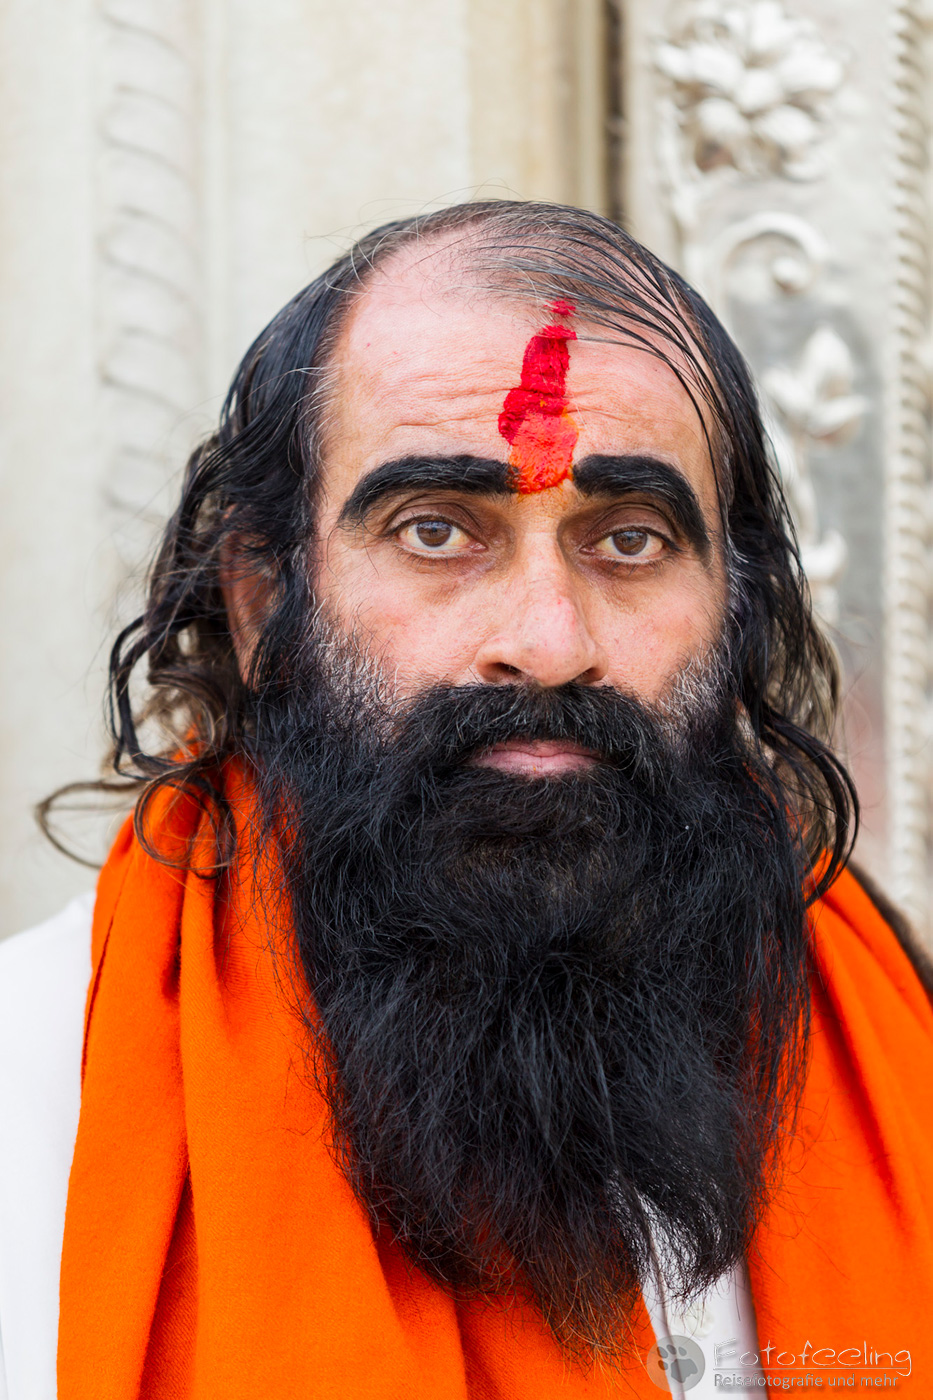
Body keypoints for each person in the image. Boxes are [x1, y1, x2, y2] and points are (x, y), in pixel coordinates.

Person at [1, 200, 931, 1400]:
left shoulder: (891, 1045)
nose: (547, 644)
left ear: (734, 602)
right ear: (261, 601)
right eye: (438, 529)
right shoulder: (30, 1098)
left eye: (633, 538)